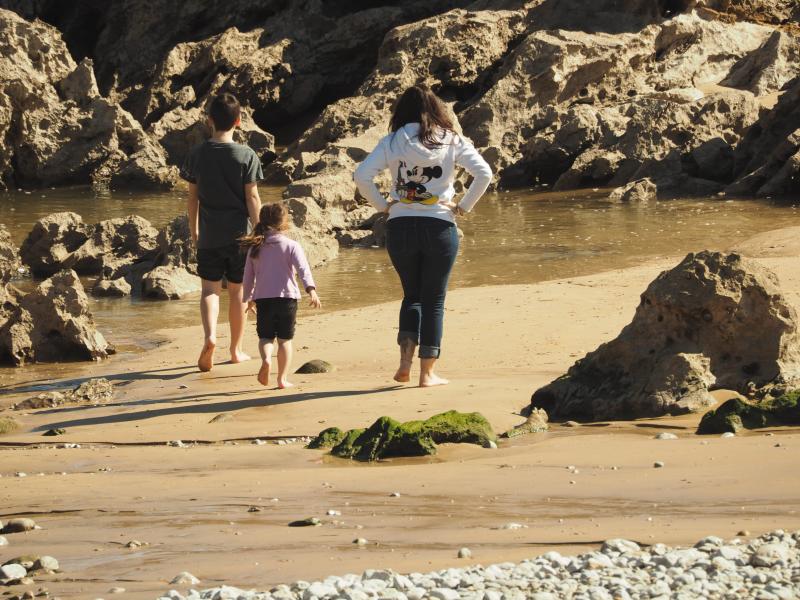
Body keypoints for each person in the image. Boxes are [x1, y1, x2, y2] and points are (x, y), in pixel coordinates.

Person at [354, 84, 492, 387]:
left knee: (411, 296)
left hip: (401, 226)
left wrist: (383, 206)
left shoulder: (392, 141)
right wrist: (463, 207)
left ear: (400, 112)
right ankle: (427, 373)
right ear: (436, 110)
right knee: (434, 301)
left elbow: (362, 176)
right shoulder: (451, 140)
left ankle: (405, 365)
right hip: (439, 226)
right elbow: (485, 173)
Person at [180, 92, 263, 372]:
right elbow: (252, 197)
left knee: (209, 290)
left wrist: (194, 230)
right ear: (239, 121)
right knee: (238, 292)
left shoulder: (197, 154)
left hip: (210, 236)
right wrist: (260, 232)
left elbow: (192, 198)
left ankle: (210, 337)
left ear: (209, 121)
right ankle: (236, 350)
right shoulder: (246, 155)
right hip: (240, 236)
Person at [240, 203, 322, 389]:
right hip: (287, 299)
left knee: (266, 337)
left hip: (263, 299)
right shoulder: (292, 245)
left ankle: (266, 359)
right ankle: (281, 379)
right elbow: (303, 270)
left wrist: (248, 298)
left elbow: (248, 276)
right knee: (285, 340)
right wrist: (311, 290)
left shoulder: (255, 247)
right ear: (284, 223)